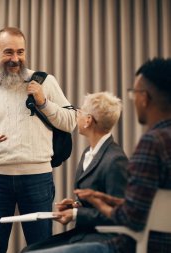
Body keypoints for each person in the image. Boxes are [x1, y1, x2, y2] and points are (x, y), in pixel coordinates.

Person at [26, 58, 171, 253]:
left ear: (144, 98)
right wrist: (92, 201)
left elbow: (133, 217)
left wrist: (79, 213)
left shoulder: (150, 144)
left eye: (134, 93)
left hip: (128, 242)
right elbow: (140, 204)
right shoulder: (161, 139)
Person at [0, 27, 76, 252]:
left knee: (41, 248)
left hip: (38, 179)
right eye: (9, 52)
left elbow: (71, 120)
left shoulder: (45, 82)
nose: (16, 59)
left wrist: (44, 102)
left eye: (21, 52)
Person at [22, 92, 128, 252]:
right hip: (85, 233)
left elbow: (119, 214)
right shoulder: (88, 153)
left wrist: (76, 215)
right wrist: (76, 206)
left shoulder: (115, 160)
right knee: (28, 250)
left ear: (88, 120)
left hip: (104, 238)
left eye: (80, 111)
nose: (76, 114)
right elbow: (97, 201)